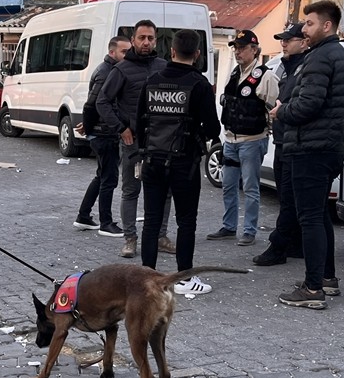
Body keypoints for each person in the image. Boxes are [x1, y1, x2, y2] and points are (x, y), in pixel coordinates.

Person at [269, 1, 344, 309]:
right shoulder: (339, 56)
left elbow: (308, 104)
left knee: (309, 218)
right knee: (317, 214)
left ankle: (313, 289)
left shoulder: (320, 58)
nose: (304, 29)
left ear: (326, 26)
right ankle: (326, 279)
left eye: (309, 23)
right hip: (327, 146)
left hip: (311, 148)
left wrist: (282, 111)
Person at [136, 29, 222, 294]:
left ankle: (146, 279)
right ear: (196, 55)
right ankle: (185, 278)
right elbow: (213, 129)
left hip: (152, 159)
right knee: (186, 221)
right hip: (183, 163)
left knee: (151, 220)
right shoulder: (199, 84)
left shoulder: (152, 81)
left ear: (171, 51)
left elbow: (139, 121)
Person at [97, 19, 175, 259]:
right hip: (133, 143)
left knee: (165, 191)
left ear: (156, 40)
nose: (146, 42)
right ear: (133, 40)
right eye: (141, 38)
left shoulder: (164, 66)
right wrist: (121, 128)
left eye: (150, 38)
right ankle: (130, 239)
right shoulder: (121, 69)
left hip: (161, 142)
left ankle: (161, 236)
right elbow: (103, 102)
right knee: (131, 190)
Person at [205, 29, 278, 247]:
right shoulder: (236, 73)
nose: (237, 52)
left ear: (254, 50)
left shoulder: (266, 76)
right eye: (235, 48)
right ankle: (229, 227)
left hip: (252, 140)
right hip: (231, 139)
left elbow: (274, 109)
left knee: (251, 188)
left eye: (242, 48)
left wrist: (267, 133)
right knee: (228, 185)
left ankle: (249, 230)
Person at [254, 22, 310, 266]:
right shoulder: (290, 68)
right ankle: (296, 245)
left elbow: (302, 106)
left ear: (304, 42)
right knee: (289, 199)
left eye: (289, 39)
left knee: (288, 199)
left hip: (294, 144)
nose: (283, 43)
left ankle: (278, 247)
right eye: (283, 39)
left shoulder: (305, 68)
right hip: (283, 141)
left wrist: (282, 111)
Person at [73, 35, 131, 237]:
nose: (127, 55)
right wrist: (90, 128)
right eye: (124, 51)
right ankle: (106, 223)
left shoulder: (109, 70)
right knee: (109, 179)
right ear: (112, 52)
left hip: (102, 132)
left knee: (101, 176)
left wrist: (89, 127)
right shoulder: (107, 73)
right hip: (105, 135)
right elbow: (93, 104)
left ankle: (83, 216)